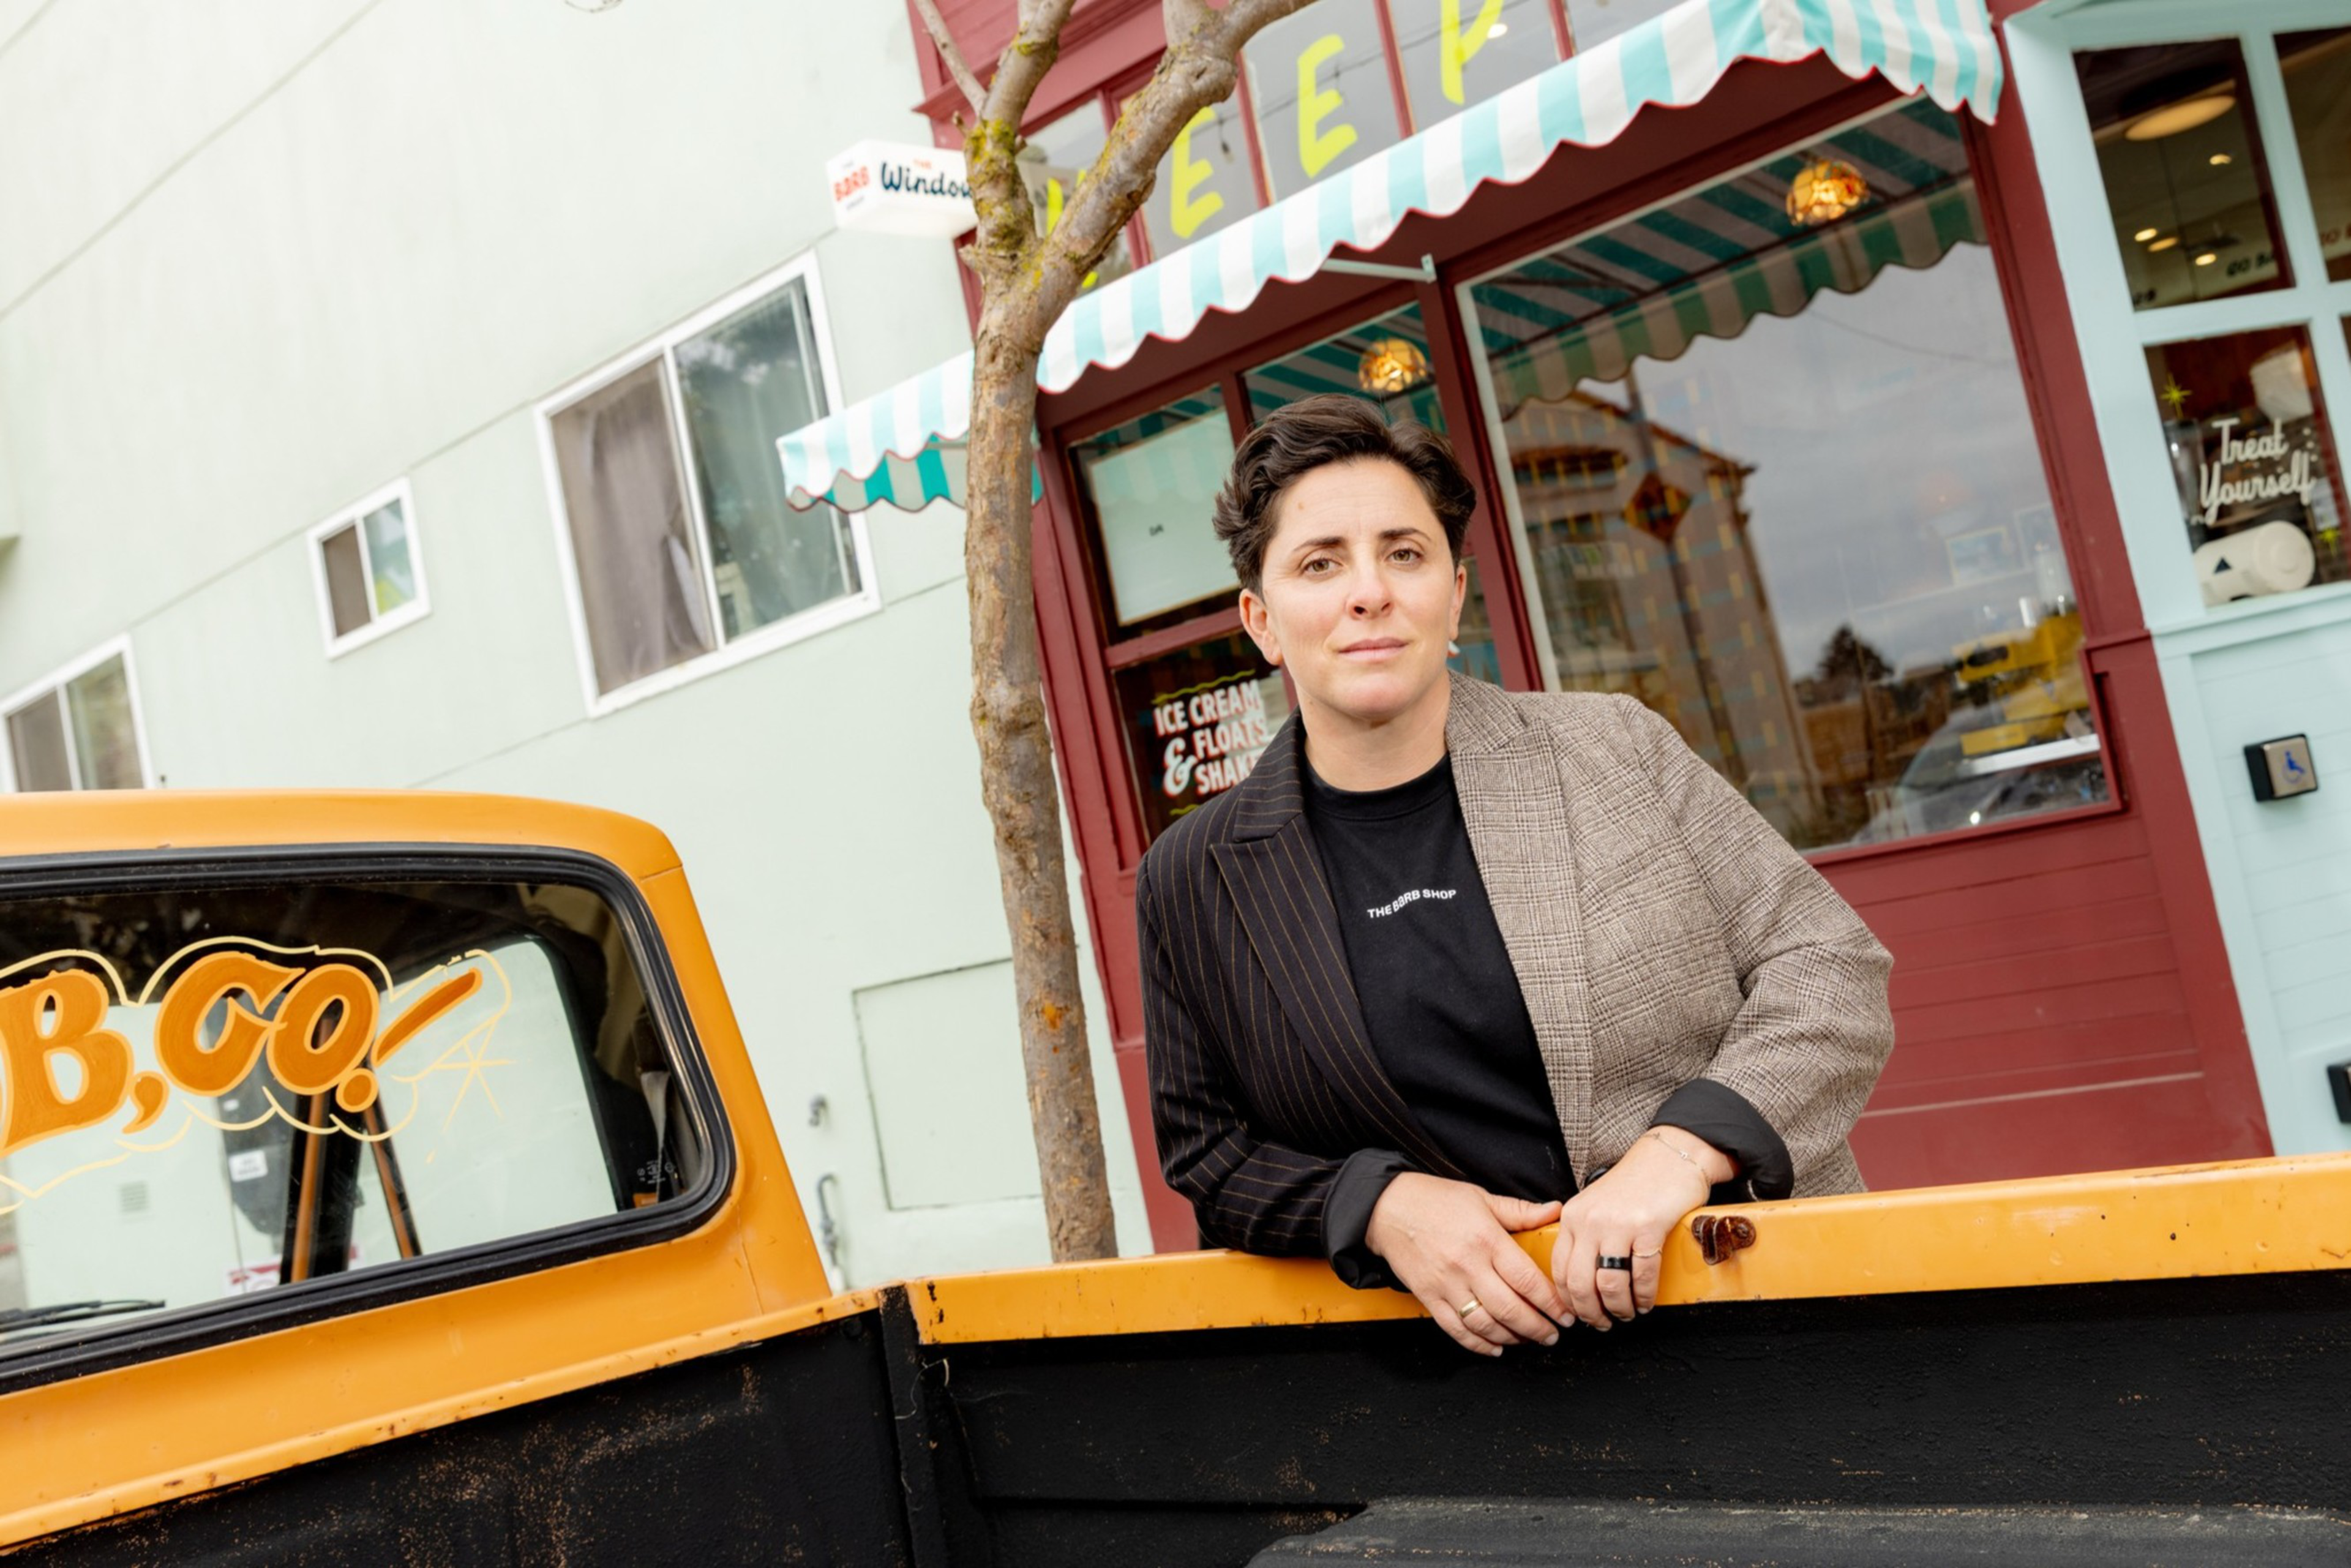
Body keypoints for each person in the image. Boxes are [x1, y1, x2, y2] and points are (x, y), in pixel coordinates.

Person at [1138, 395, 1893, 1357]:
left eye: (1404, 553)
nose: (1369, 593)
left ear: (1454, 595)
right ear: (1263, 621)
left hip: (1759, 1321)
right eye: (1320, 563)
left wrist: (1681, 1152)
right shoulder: (1196, 877)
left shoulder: (1613, 749)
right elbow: (1212, 1154)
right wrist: (1377, 1205)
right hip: (1451, 1383)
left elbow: (1828, 963)